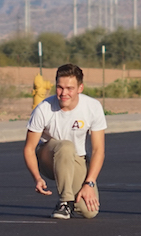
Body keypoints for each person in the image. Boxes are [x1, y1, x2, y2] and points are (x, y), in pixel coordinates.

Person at [22, 63, 107, 220]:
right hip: (48, 157)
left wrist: (90, 183)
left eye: (70, 88)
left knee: (89, 211)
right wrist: (37, 178)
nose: (64, 93)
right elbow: (29, 148)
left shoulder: (93, 107)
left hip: (76, 159)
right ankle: (64, 202)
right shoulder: (44, 109)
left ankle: (71, 201)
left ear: (80, 88)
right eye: (60, 87)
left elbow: (98, 150)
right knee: (66, 146)